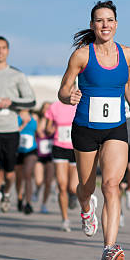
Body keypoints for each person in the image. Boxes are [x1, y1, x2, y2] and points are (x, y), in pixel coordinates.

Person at [58, 0, 130, 260]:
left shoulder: (128, 54)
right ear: (93, 25)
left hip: (115, 128)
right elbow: (63, 89)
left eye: (109, 20)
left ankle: (109, 249)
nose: (105, 25)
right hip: (84, 128)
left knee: (110, 185)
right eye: (99, 20)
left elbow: (128, 83)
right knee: (85, 187)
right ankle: (86, 209)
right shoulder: (82, 56)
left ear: (116, 24)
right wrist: (68, 96)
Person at [0, 36, 36, 232]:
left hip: (11, 129)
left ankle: (6, 192)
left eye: (3, 48)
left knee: (10, 173)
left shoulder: (16, 75)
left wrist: (11, 102)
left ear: (8, 51)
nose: (0, 51)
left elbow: (31, 101)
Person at [45, 99, 78, 231]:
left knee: (72, 187)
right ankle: (65, 219)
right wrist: (49, 129)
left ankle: (73, 195)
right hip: (59, 147)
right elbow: (48, 128)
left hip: (76, 148)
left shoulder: (80, 104)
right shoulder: (55, 106)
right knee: (62, 185)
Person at [15, 109, 38, 214]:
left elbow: (39, 132)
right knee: (19, 177)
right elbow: (13, 131)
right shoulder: (15, 116)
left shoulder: (34, 117)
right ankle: (20, 197)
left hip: (31, 149)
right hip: (18, 150)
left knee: (28, 175)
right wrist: (24, 124)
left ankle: (28, 203)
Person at [34, 101, 55, 214]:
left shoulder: (54, 122)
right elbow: (40, 132)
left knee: (48, 181)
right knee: (38, 181)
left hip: (50, 155)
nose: (47, 110)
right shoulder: (38, 120)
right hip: (39, 154)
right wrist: (44, 119)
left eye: (49, 108)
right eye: (45, 108)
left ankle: (44, 204)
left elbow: (51, 131)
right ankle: (37, 190)